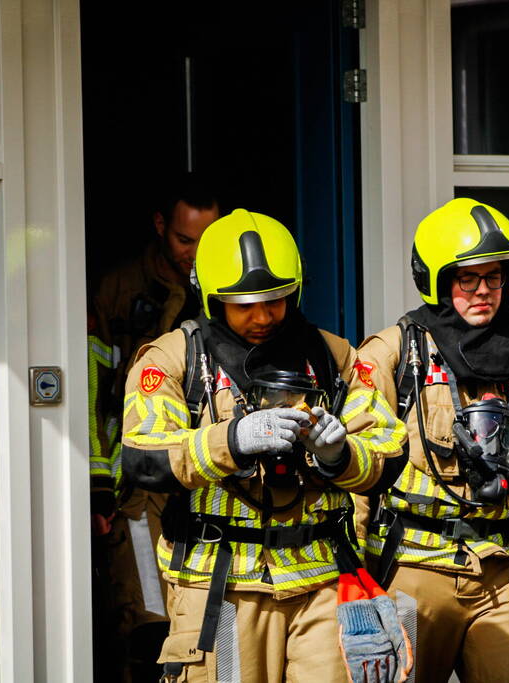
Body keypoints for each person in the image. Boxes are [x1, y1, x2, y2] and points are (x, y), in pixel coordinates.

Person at [120, 209, 410, 682]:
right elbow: (144, 459)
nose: (263, 317)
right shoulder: (173, 358)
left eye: (276, 301)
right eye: (244, 304)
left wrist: (341, 456)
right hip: (220, 584)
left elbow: (390, 449)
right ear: (212, 298)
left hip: (320, 583)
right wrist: (232, 440)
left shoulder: (332, 356)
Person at [356, 197, 509, 682]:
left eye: (494, 277)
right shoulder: (392, 354)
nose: (484, 291)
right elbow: (358, 479)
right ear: (437, 280)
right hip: (412, 574)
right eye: (468, 279)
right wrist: (352, 588)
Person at [88, 176, 221, 682]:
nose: (194, 255)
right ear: (161, 227)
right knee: (148, 623)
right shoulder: (115, 290)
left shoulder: (227, 293)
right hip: (137, 491)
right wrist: (98, 490)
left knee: (211, 627)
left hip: (208, 484)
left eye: (207, 242)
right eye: (185, 240)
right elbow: (91, 391)